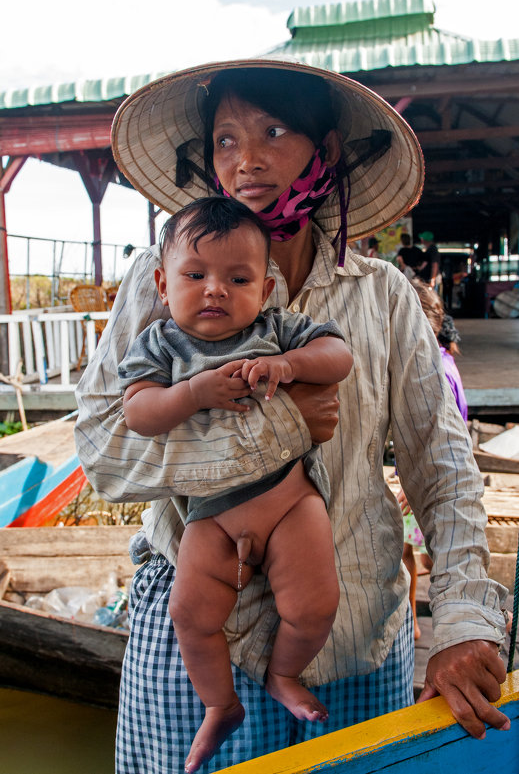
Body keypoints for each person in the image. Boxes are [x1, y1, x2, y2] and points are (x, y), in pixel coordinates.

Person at [74, 58, 509, 774]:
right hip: (199, 641)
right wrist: (280, 427)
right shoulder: (161, 282)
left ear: (326, 151)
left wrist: (462, 617)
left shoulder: (382, 298)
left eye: (272, 132)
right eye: (224, 140)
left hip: (356, 637)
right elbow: (105, 453)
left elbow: (442, 465)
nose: (244, 161)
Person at [117, 196, 353, 772]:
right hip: (210, 516)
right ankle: (219, 705)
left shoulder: (278, 330)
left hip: (290, 499)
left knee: (316, 606)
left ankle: (283, 673)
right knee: (192, 616)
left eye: (238, 277)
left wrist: (290, 366)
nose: (215, 289)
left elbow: (339, 355)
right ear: (162, 285)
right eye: (195, 275)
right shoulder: (162, 344)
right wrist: (191, 394)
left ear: (265, 291)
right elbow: (137, 412)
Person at [397, 280, 468, 640]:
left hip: (433, 478)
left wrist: (414, 485)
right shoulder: (442, 360)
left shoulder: (435, 370)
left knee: (431, 557)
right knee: (412, 551)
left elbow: (447, 441)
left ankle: (457, 627)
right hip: (425, 473)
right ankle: (413, 619)